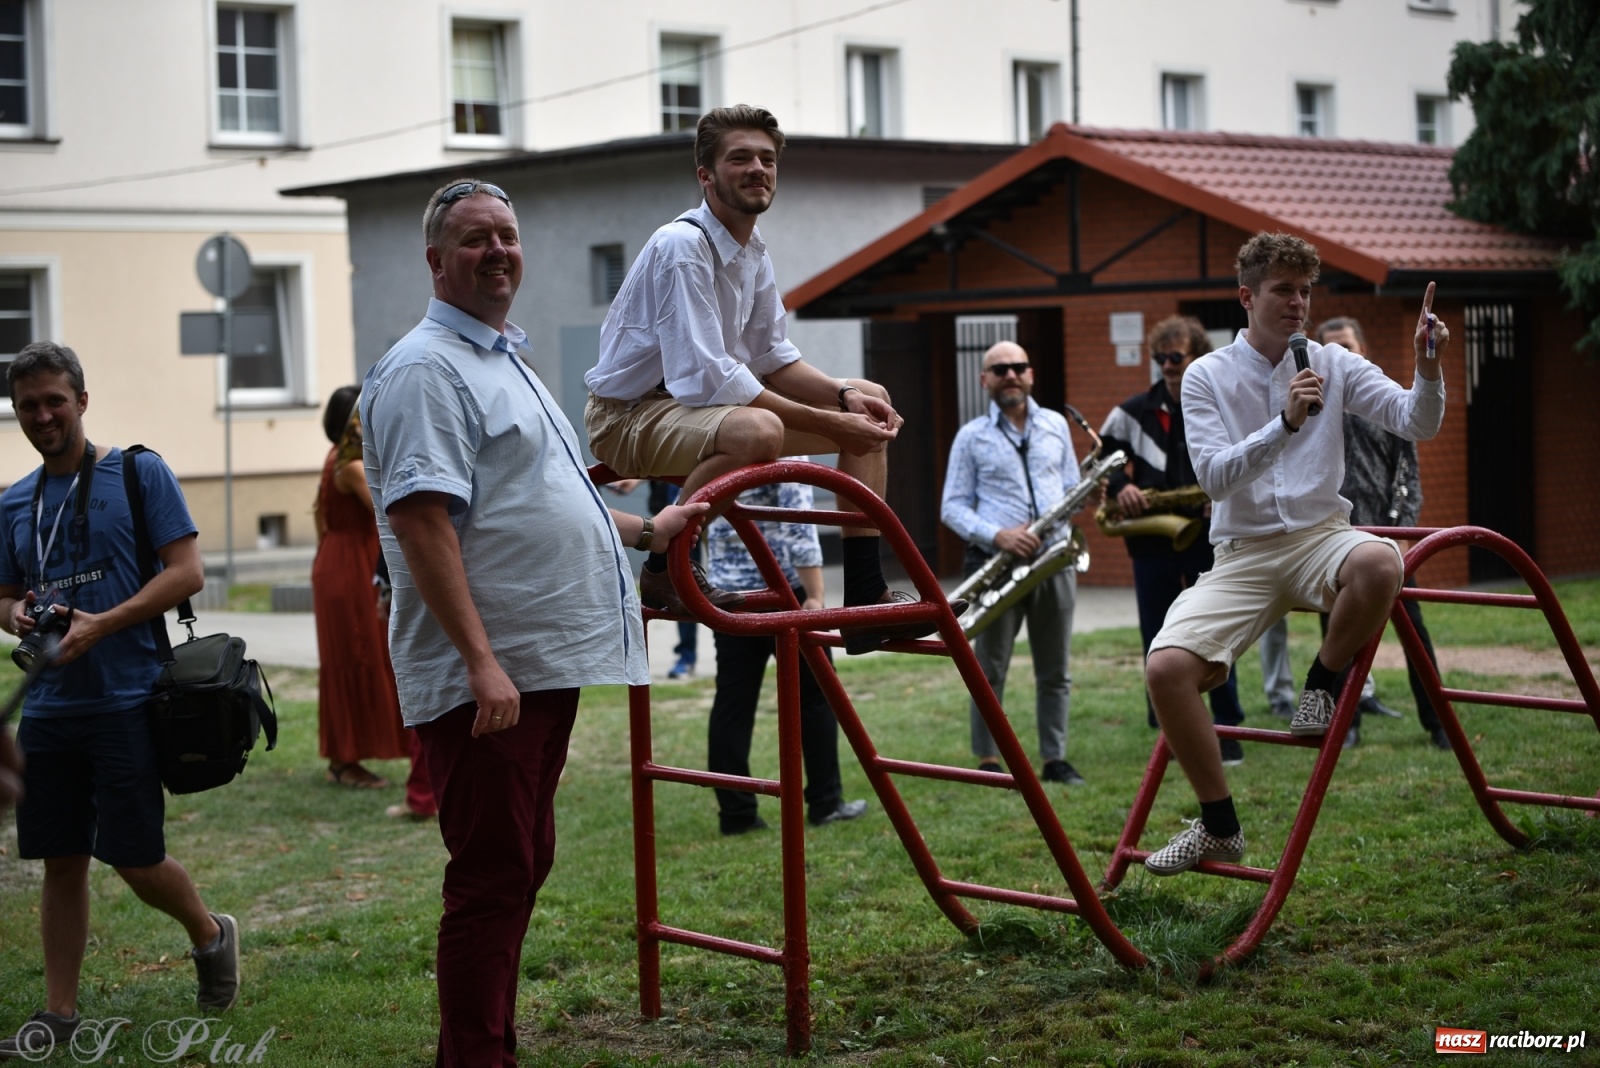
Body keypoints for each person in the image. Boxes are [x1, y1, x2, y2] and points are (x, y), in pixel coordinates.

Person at [361, 177, 707, 1066]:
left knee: (520, 862)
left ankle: (486, 1045)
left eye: (507, 235)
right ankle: (475, 1056)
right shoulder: (426, 368)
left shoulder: (499, 357)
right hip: (493, 678)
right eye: (476, 239)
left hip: (536, 667)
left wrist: (646, 530)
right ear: (437, 262)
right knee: (490, 876)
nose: (498, 252)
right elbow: (421, 520)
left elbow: (535, 500)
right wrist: (480, 663)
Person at [585, 104, 963, 652]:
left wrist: (845, 397)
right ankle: (667, 566)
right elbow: (708, 376)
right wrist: (825, 420)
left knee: (869, 399)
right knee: (758, 431)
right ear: (706, 175)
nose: (758, 168)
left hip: (689, 409)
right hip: (627, 416)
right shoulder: (683, 247)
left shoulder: (752, 252)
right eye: (739, 158)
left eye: (766, 158)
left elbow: (772, 356)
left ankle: (863, 597)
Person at [1141, 232, 1446, 876]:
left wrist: (1428, 364)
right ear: (1247, 296)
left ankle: (1321, 685)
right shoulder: (1206, 375)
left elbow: (1416, 421)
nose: (1298, 303)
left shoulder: (1333, 363)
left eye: (1306, 291)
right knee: (1166, 670)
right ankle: (1219, 826)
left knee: (1382, 560)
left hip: (1318, 538)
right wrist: (1282, 425)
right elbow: (1215, 479)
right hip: (1243, 552)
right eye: (1284, 290)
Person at [0, 342, 240, 1055]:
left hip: (127, 696)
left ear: (81, 399)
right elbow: (6, 592)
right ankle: (59, 1013)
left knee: (133, 859)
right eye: (28, 406)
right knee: (61, 858)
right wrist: (13, 615)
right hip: (48, 708)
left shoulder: (138, 472)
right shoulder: (13, 500)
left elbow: (187, 572)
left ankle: (208, 931)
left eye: (55, 401)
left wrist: (102, 623)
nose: (43, 416)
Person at [940, 341, 1093, 785]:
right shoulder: (970, 436)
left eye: (1018, 367)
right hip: (997, 562)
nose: (1010, 374)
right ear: (984, 380)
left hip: (1054, 559)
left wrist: (1079, 500)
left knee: (1056, 669)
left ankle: (1054, 759)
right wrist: (998, 534)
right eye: (999, 368)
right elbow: (952, 507)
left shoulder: (1055, 426)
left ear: (1030, 374)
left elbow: (1067, 487)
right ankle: (988, 758)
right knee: (989, 669)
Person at [1099, 316, 1246, 765]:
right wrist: (1118, 486)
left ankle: (1227, 730)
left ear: (1197, 355)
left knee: (1215, 633)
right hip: (1152, 540)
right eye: (1160, 358)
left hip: (1206, 536)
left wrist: (1222, 498)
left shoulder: (1219, 404)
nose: (1167, 365)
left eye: (1176, 357)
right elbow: (1102, 456)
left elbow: (1244, 458)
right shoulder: (1131, 411)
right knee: (1157, 635)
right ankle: (1167, 728)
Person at [703, 464, 868, 835]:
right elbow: (799, 526)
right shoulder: (783, 449)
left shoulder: (719, 446)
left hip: (728, 593)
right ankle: (826, 803)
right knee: (816, 698)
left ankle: (736, 814)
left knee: (732, 704)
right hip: (784, 591)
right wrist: (816, 595)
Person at [1313, 316, 1450, 752]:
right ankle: (1344, 725)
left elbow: (1407, 474)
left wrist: (1404, 531)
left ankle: (1438, 723)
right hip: (1332, 542)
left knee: (1415, 633)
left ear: (1364, 349)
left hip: (1389, 540)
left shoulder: (1381, 397)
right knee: (1337, 635)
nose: (1343, 355)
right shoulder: (1314, 405)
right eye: (1333, 348)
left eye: (1349, 346)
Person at [313, 385, 409, 789]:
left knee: (365, 655)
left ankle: (349, 754)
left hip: (348, 558)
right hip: (350, 565)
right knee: (355, 655)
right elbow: (386, 506)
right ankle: (344, 759)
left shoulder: (340, 458)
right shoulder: (349, 464)